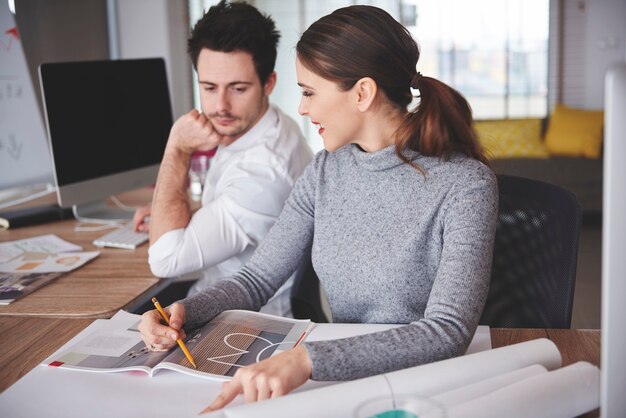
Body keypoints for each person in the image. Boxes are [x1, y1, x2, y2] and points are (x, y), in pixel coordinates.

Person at [138, 4, 498, 410]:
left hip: (426, 388)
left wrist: (309, 360)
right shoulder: (325, 171)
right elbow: (257, 279)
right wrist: (185, 311)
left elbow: (447, 331)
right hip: (345, 377)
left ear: (362, 93)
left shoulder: (466, 186)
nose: (303, 108)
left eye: (309, 92)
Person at [133, 0, 313, 316]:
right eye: (209, 87)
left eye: (238, 88)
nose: (221, 106)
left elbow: (164, 260)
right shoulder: (270, 125)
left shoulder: (262, 173)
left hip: (239, 325)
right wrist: (174, 209)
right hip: (211, 302)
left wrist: (178, 146)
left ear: (268, 83)